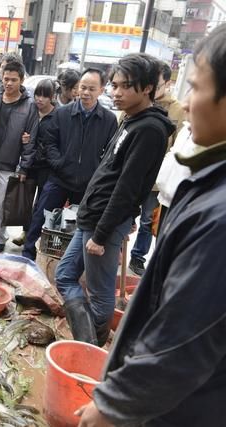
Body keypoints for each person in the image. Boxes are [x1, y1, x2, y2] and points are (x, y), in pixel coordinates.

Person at [75, 25, 226, 427]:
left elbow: (185, 337)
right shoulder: (210, 176)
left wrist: (114, 405)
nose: (188, 104)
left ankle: (91, 342)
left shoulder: (220, 213)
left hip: (178, 410)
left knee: (101, 290)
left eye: (196, 89)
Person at [55, 54, 174, 348]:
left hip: (102, 225)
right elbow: (110, 172)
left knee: (99, 293)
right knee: (65, 276)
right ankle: (87, 339)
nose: (116, 93)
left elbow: (127, 187)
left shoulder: (149, 130)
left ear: (147, 88)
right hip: (93, 216)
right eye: (114, 85)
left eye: (124, 87)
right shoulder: (131, 120)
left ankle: (89, 348)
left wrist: (103, 233)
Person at [22, 69, 118, 260]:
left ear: (101, 90)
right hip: (59, 178)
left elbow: (110, 153)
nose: (86, 92)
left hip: (88, 184)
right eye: (83, 87)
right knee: (41, 216)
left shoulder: (108, 119)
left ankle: (63, 260)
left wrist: (96, 172)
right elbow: (50, 143)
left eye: (92, 88)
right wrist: (60, 163)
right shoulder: (63, 114)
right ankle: (27, 255)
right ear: (77, 89)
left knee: (79, 224)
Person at [128, 62, 186, 276]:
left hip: (157, 179)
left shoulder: (178, 109)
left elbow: (180, 145)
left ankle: (137, 257)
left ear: (167, 83)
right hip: (134, 175)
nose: (151, 88)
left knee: (146, 221)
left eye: (157, 84)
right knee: (125, 216)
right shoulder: (138, 103)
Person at [0, 60, 39, 252]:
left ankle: (0, 238)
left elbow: (31, 138)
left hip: (8, 163)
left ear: (22, 80)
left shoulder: (29, 106)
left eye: (13, 80)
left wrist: (24, 167)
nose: (9, 83)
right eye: (6, 79)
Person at [12, 79, 57, 246]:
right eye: (38, 94)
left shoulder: (57, 115)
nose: (40, 99)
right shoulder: (31, 111)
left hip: (46, 166)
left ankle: (35, 236)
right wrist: (25, 140)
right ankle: (26, 233)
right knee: (25, 202)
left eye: (45, 96)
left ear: (52, 97)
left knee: (41, 204)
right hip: (29, 164)